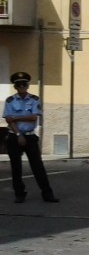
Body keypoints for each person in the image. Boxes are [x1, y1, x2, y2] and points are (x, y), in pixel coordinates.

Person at [4, 72, 59, 204]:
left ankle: (47, 193)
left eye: (24, 84)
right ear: (15, 87)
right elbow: (8, 120)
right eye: (19, 85)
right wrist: (18, 135)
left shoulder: (34, 99)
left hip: (30, 137)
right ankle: (19, 194)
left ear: (27, 86)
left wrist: (16, 118)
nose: (22, 87)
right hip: (15, 136)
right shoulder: (10, 101)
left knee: (38, 167)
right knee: (16, 167)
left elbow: (34, 117)